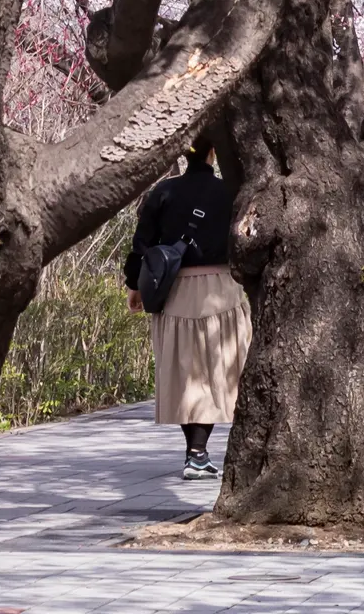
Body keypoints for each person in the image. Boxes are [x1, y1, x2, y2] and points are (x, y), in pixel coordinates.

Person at [123, 135, 251, 480]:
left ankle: (195, 452)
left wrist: (134, 285)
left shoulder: (163, 192)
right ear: (214, 151)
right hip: (222, 289)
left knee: (184, 373)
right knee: (216, 370)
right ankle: (197, 453)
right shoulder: (232, 192)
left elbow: (141, 244)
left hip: (173, 288)